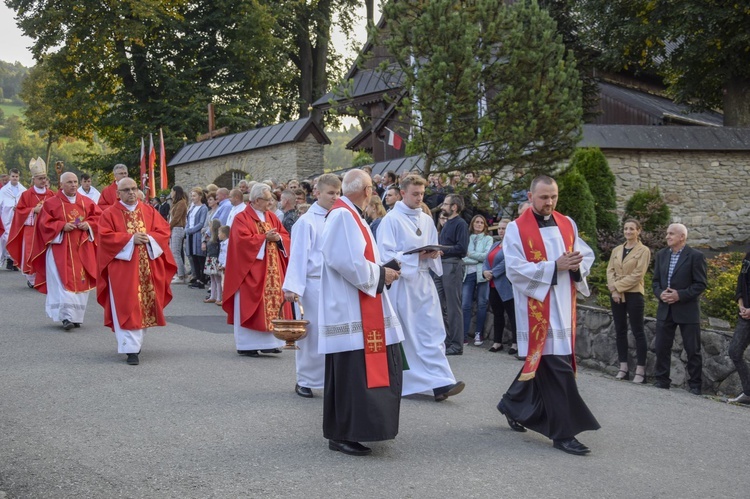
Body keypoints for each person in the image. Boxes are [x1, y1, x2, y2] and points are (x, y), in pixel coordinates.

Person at [497, 175, 599, 456]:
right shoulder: (518, 229)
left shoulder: (568, 222)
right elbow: (514, 270)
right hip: (538, 307)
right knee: (556, 368)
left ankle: (512, 403)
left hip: (564, 303)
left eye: (553, 196)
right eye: (543, 197)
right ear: (530, 197)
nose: (549, 202)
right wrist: (555, 267)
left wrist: (576, 266)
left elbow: (585, 254)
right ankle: (564, 433)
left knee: (544, 362)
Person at [318, 169, 404, 456]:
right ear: (366, 190)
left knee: (356, 372)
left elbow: (361, 257)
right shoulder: (343, 215)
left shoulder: (352, 214)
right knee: (350, 374)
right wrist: (380, 275)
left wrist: (385, 267)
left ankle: (353, 429)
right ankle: (343, 433)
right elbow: (344, 260)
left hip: (360, 305)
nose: (373, 194)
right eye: (372, 189)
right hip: (350, 310)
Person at [377, 175, 465, 402]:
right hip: (403, 285)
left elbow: (433, 251)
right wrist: (415, 257)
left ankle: (442, 380)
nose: (419, 198)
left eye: (422, 194)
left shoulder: (426, 220)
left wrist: (434, 254)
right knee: (410, 336)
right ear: (403, 193)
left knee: (433, 331)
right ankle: (414, 383)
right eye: (415, 194)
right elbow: (385, 255)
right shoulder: (391, 220)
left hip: (424, 283)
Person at [96, 177, 177, 365]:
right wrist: (130, 239)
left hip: (147, 268)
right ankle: (129, 349)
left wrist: (148, 237)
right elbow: (105, 238)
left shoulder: (148, 210)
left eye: (134, 188)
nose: (131, 192)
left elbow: (164, 231)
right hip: (122, 270)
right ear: (118, 194)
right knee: (126, 304)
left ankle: (136, 344)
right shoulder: (109, 214)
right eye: (126, 190)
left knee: (143, 305)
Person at [282, 173, 342, 398]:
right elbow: (298, 256)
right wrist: (293, 288)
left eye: (338, 193)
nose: (334, 197)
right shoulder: (306, 222)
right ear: (317, 193)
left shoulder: (339, 218)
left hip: (335, 284)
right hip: (313, 285)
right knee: (312, 333)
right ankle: (305, 379)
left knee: (333, 332)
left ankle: (330, 378)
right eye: (330, 193)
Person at [222, 183, 291, 357]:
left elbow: (285, 236)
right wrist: (263, 238)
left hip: (273, 270)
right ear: (257, 200)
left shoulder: (272, 217)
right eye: (268, 200)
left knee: (275, 306)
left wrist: (278, 238)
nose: (271, 203)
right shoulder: (242, 218)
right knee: (252, 305)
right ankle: (248, 345)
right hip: (251, 271)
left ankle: (271, 342)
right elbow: (241, 243)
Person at [30, 172, 100, 330]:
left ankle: (76, 317)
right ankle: (66, 317)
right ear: (61, 185)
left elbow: (98, 218)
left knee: (81, 282)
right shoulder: (51, 203)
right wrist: (61, 226)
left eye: (75, 182)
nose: (73, 184)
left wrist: (88, 224)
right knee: (62, 282)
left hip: (81, 249)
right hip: (60, 249)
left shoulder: (87, 202)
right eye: (69, 182)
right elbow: (43, 224)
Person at [652, 223, 707, 394]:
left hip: (687, 309)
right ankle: (662, 381)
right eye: (667, 233)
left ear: (682, 237)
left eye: (671, 234)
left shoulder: (696, 256)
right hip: (665, 308)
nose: (667, 236)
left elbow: (700, 284)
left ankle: (695, 385)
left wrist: (680, 295)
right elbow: (655, 282)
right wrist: (661, 294)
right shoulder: (661, 255)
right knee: (661, 347)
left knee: (692, 349)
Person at [606, 219, 651, 383]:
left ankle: (640, 370)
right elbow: (609, 270)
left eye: (632, 229)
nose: (628, 231)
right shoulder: (617, 250)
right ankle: (623, 367)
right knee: (620, 330)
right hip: (616, 295)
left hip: (633, 293)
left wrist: (617, 287)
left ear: (638, 231)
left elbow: (638, 274)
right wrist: (613, 290)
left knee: (638, 330)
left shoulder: (643, 250)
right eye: (626, 228)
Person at [7, 158, 55, 287]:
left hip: (46, 231)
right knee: (31, 254)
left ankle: (45, 279)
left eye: (44, 178)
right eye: (40, 178)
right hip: (32, 231)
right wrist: (33, 210)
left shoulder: (51, 194)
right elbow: (20, 212)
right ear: (33, 179)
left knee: (47, 255)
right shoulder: (26, 195)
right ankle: (32, 280)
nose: (43, 181)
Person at [435, 193, 469, 355]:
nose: (442, 207)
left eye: (445, 204)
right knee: (440, 306)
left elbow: (462, 248)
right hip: (442, 266)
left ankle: (456, 344)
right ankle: (447, 340)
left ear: (454, 207)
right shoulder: (447, 223)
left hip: (452, 266)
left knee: (454, 307)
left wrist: (443, 250)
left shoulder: (460, 224)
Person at [482, 219, 518, 354]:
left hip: (505, 285)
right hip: (492, 285)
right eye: (500, 228)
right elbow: (486, 260)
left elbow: (507, 261)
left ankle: (515, 344)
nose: (501, 231)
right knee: (497, 314)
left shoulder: (513, 246)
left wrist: (493, 273)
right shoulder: (495, 244)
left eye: (504, 228)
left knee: (512, 315)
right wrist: (484, 271)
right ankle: (497, 342)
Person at [462, 215, 494, 346]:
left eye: (482, 222)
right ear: (472, 223)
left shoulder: (488, 238)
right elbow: (462, 257)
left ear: (485, 225)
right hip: (468, 274)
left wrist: (470, 254)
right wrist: (475, 258)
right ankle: (463, 335)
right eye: (477, 222)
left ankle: (478, 334)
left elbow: (486, 256)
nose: (479, 224)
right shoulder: (467, 237)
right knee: (465, 305)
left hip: (482, 274)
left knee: (482, 303)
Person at [728, 251, 750, 404]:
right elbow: (741, 281)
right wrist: (741, 304)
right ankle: (748, 392)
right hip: (745, 315)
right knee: (734, 351)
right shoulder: (748, 256)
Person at [0, 168, 26, 270]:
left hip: (19, 217)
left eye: (16, 176)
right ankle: (6, 258)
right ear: (9, 177)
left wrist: (19, 207)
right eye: (13, 176)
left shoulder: (23, 190)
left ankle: (14, 260)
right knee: (5, 237)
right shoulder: (3, 190)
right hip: (6, 216)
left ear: (19, 177)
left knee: (17, 237)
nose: (15, 178)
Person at [185, 187, 208, 289]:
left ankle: (202, 279)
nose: (192, 198)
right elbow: (188, 220)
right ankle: (197, 277)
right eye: (191, 196)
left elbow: (201, 223)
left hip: (197, 235)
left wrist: (190, 230)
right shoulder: (192, 207)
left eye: (194, 196)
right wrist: (186, 229)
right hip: (190, 234)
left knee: (199, 257)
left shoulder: (203, 208)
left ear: (200, 197)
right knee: (193, 257)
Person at [169, 186, 188, 284]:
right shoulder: (176, 203)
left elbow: (176, 218)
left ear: (176, 192)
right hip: (174, 228)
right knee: (175, 252)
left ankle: (180, 276)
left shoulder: (181, 203)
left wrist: (168, 227)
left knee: (176, 252)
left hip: (177, 228)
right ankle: (183, 273)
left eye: (172, 191)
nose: (171, 193)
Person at [203, 219, 222, 304]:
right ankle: (212, 296)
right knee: (212, 278)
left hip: (215, 259)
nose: (209, 227)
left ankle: (218, 297)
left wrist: (219, 260)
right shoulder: (211, 238)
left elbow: (219, 251)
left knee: (217, 279)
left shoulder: (217, 240)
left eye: (210, 226)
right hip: (210, 258)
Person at [216, 225, 230, 306]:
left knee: (224, 283)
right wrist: (219, 262)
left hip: (225, 266)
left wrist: (224, 265)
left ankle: (225, 299)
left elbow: (227, 255)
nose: (218, 235)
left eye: (219, 233)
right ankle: (223, 298)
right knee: (222, 282)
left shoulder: (228, 243)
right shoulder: (223, 243)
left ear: (224, 234)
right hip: (222, 264)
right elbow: (221, 255)